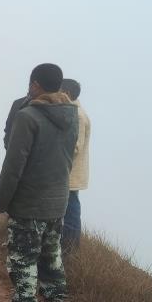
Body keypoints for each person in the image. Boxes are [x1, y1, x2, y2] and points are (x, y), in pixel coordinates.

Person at [0, 63, 78, 302]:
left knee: (22, 260)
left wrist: (1, 202)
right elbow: (69, 157)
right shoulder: (71, 114)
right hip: (57, 201)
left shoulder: (28, 116)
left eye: (31, 83)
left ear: (36, 84)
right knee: (51, 257)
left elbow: (14, 165)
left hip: (29, 202)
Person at [60, 78, 91, 257]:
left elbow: (75, 147)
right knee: (69, 209)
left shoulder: (77, 115)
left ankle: (70, 250)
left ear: (67, 93)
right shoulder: (73, 111)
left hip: (70, 173)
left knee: (71, 211)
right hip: (68, 171)